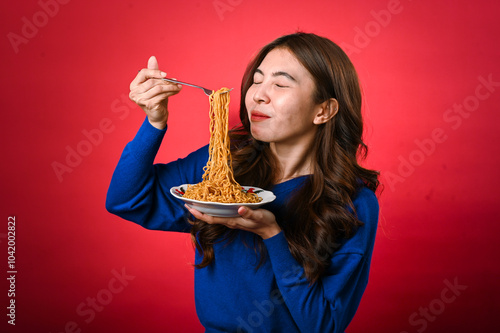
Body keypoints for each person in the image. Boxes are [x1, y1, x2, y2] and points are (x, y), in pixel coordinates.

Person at [106, 32, 380, 333]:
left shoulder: (351, 202)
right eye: (257, 80)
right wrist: (154, 122)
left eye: (280, 83)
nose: (258, 95)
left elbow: (323, 325)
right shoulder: (222, 165)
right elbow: (127, 199)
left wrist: (271, 233)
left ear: (323, 110)